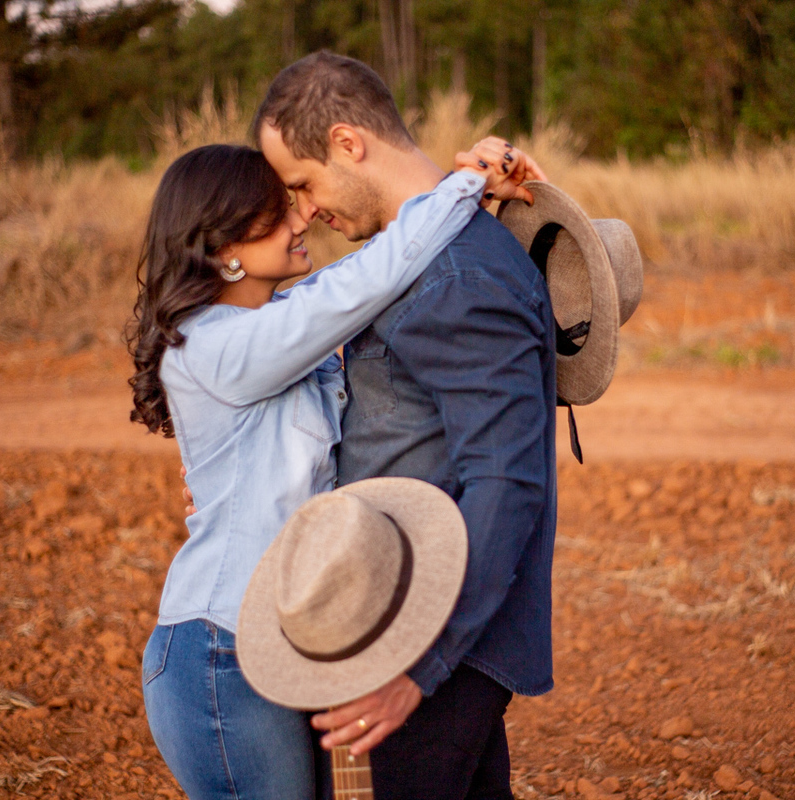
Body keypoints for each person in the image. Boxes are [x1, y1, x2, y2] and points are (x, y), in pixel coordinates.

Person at [127, 138, 542, 800]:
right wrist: (459, 186)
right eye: (274, 213)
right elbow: (364, 281)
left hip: (279, 638)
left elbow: (360, 278)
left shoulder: (275, 325)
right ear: (220, 248)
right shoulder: (216, 348)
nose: (300, 220)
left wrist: (468, 191)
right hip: (219, 655)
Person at [251, 52, 559, 800]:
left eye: (303, 182)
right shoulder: (420, 256)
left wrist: (417, 672)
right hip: (411, 624)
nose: (304, 210)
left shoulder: (457, 277)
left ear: (349, 143)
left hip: (427, 645)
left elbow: (507, 480)